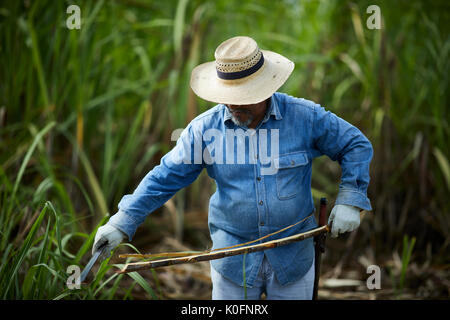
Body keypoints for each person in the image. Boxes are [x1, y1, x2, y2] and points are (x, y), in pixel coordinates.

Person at [92, 36, 373, 300]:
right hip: (232, 259)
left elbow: (355, 145)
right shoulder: (204, 129)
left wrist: (350, 199)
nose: (235, 105)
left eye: (246, 96)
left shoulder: (305, 117)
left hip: (294, 256)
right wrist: (122, 221)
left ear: (267, 88)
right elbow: (165, 177)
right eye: (228, 95)